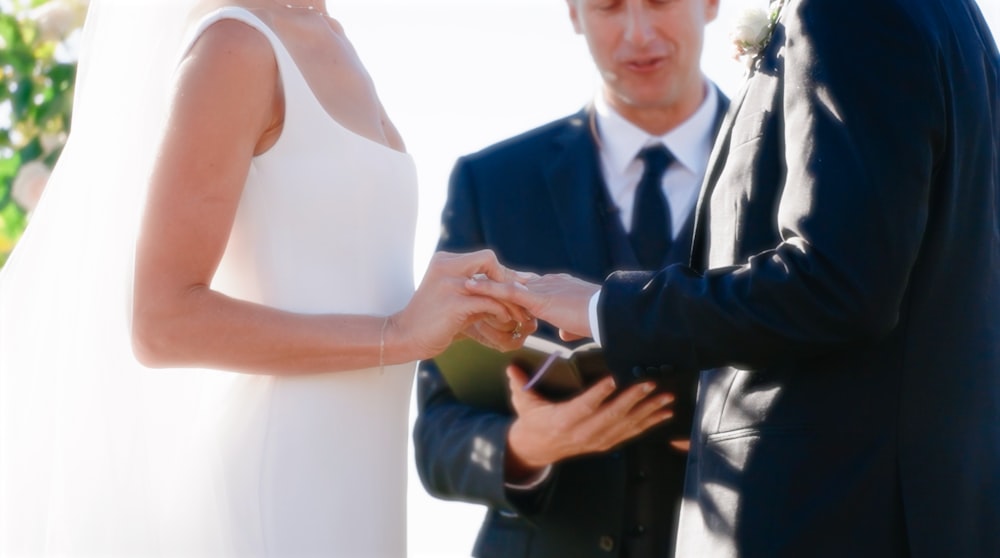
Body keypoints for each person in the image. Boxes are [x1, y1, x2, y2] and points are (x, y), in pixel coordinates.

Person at [0, 0, 534, 556]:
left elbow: (336, 271)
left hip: (360, 482)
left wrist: (450, 311)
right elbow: (161, 320)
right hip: (280, 490)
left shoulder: (329, 34)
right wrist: (397, 333)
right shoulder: (237, 46)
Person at [467, 0, 1000, 556]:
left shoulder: (852, 12)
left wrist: (610, 308)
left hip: (826, 518)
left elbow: (839, 284)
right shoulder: (960, 23)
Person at [413, 0, 727, 556]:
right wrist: (523, 447)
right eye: (609, 6)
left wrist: (727, 438)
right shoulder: (491, 184)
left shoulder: (791, 169)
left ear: (710, 3)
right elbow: (437, 436)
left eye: (659, 1)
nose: (638, 33)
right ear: (573, 12)